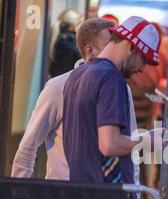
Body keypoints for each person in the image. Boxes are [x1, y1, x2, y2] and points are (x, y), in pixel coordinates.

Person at [11, 18, 115, 180]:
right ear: (90, 51)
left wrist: (133, 194)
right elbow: (28, 147)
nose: (115, 52)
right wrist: (19, 198)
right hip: (63, 196)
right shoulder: (58, 87)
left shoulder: (120, 88)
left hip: (103, 196)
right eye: (109, 46)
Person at [63, 16, 161, 185]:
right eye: (144, 59)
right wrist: (150, 141)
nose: (142, 68)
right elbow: (109, 144)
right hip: (106, 195)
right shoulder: (111, 78)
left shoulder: (77, 74)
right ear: (131, 46)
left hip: (80, 192)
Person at [49, 9, 84, 77]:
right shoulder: (70, 41)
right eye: (81, 23)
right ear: (75, 24)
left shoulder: (55, 36)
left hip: (55, 81)